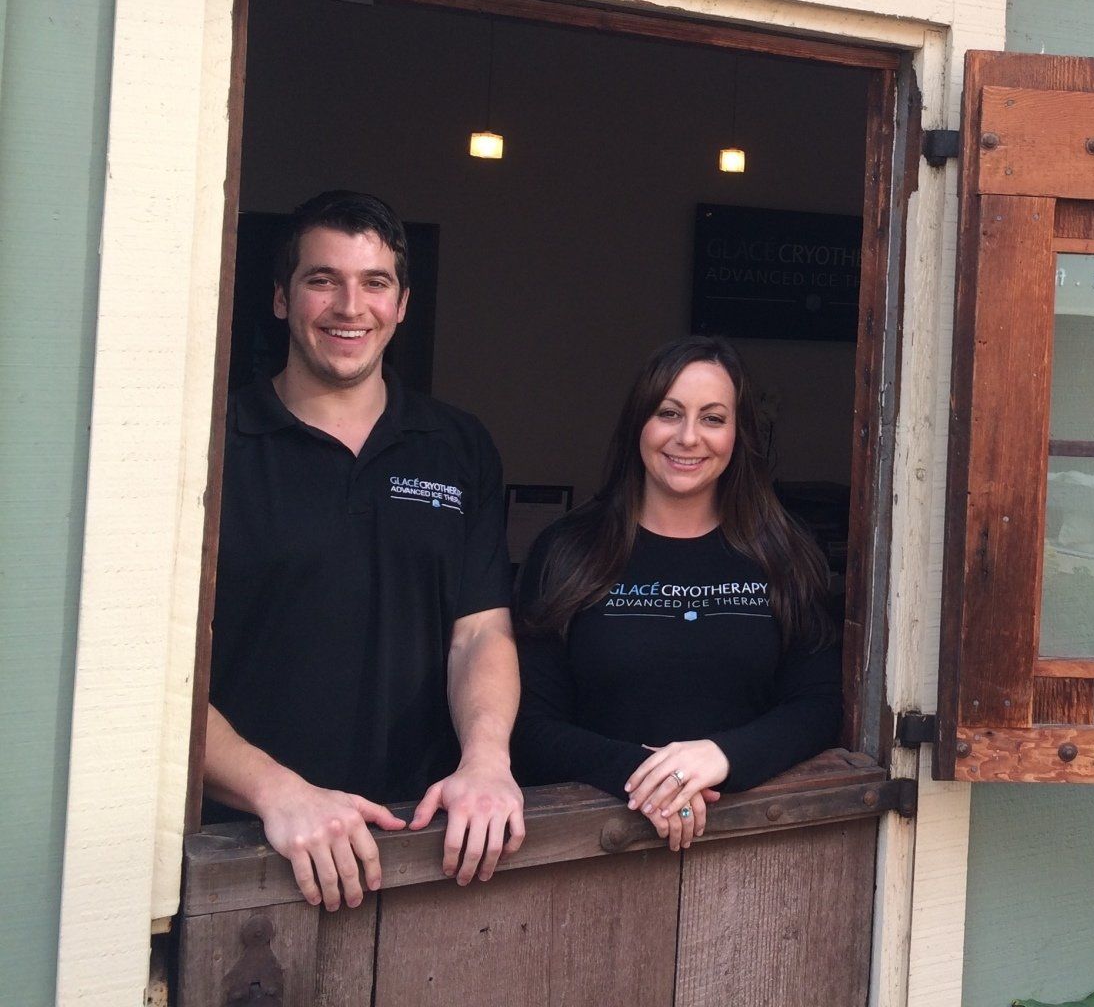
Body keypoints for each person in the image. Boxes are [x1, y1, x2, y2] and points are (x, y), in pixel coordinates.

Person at [204, 190, 524, 911]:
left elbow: (479, 631)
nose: (351, 306)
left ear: (402, 303)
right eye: (324, 280)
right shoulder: (213, 443)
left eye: (374, 282)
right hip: (249, 849)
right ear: (283, 299)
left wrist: (486, 760)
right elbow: (154, 675)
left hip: (426, 841)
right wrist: (277, 792)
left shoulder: (457, 445)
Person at [512, 335, 840, 851]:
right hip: (585, 845)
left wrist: (721, 756)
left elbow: (819, 705)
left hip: (759, 846)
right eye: (669, 413)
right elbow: (528, 724)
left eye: (712, 418)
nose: (688, 437)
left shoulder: (784, 551)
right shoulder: (569, 549)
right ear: (638, 425)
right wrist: (643, 773)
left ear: (739, 435)